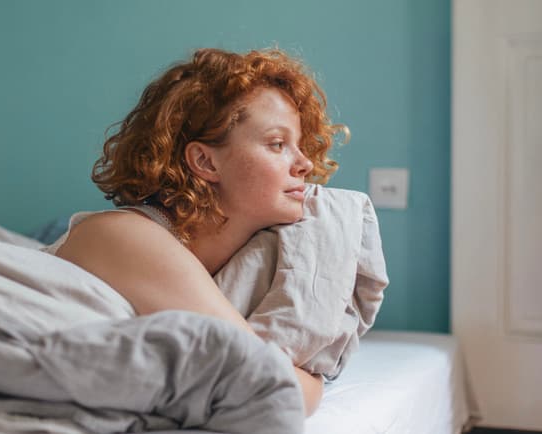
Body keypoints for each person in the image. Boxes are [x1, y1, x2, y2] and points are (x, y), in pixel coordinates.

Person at [49, 47, 344, 416]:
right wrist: (312, 379)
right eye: (278, 144)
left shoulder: (213, 266)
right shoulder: (126, 235)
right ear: (205, 161)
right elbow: (271, 385)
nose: (304, 164)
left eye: (299, 146)